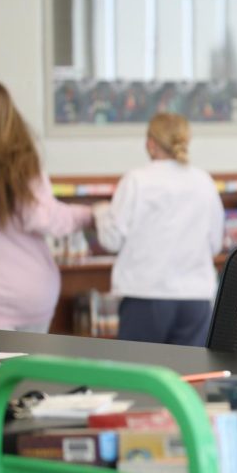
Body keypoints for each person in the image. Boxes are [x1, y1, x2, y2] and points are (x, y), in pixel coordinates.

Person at [0, 80, 94, 331]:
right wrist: (90, 214)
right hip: (32, 294)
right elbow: (45, 218)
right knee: (29, 369)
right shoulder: (24, 165)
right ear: (9, 117)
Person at [94, 113, 224, 346]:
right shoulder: (203, 181)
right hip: (195, 298)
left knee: (138, 377)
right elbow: (215, 243)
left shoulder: (137, 180)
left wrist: (100, 212)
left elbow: (111, 240)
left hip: (146, 295)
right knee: (189, 379)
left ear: (151, 143)